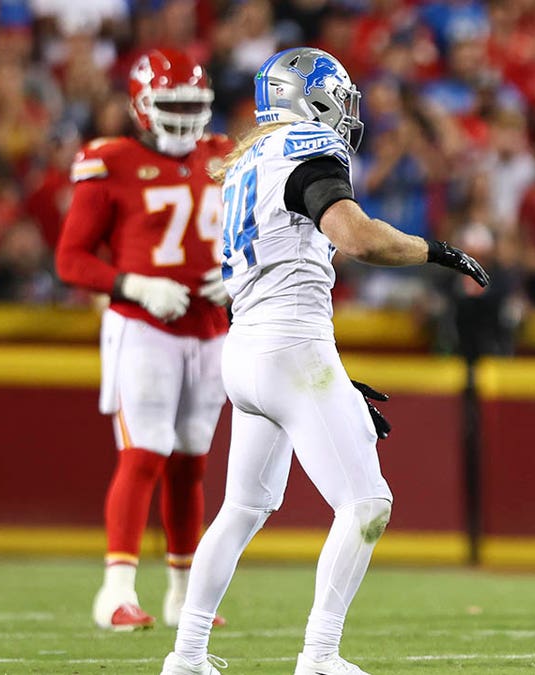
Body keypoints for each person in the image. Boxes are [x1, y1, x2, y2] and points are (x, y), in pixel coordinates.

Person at [160, 47, 489, 675]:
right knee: (367, 505)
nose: (345, 112)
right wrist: (437, 251)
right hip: (289, 347)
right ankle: (318, 656)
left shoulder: (246, 159)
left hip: (248, 350)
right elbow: (356, 236)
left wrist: (324, 376)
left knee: (242, 509)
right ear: (308, 98)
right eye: (338, 96)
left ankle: (188, 655)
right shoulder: (305, 145)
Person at [54, 48, 231, 632]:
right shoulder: (111, 161)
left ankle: (185, 595)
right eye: (172, 103)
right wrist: (132, 284)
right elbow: (71, 259)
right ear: (142, 104)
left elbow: (255, 235)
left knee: (191, 464)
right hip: (144, 328)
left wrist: (236, 275)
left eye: (192, 104)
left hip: (210, 330)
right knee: (144, 453)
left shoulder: (225, 156)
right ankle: (117, 592)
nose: (183, 117)